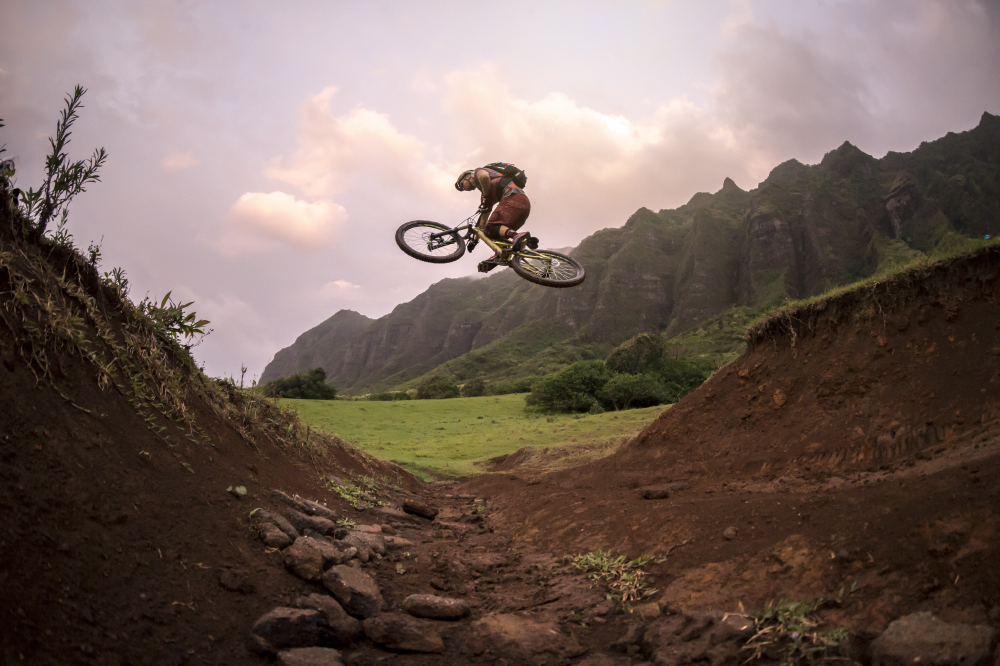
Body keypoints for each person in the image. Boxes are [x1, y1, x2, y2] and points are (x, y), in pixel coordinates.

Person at [454, 163, 536, 272]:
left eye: (462, 184)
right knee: (493, 234)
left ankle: (516, 236)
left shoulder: (476, 172)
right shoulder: (486, 194)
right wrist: (475, 241)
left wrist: (486, 197)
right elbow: (483, 220)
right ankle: (500, 255)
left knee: (490, 228)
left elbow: (484, 176)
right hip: (523, 205)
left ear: (467, 176)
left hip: (513, 198)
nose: (464, 189)